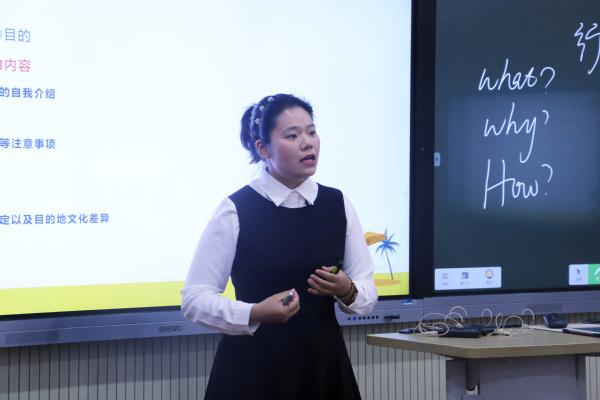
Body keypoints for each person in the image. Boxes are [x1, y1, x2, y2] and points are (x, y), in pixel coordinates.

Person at [181, 93, 378, 400]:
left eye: (312, 132)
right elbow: (194, 299)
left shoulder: (338, 204)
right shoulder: (235, 209)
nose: (308, 143)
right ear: (263, 148)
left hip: (323, 368)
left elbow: (366, 290)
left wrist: (347, 289)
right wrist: (254, 312)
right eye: (292, 135)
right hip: (253, 371)